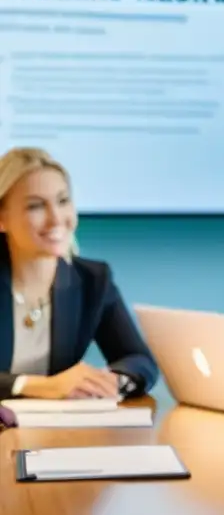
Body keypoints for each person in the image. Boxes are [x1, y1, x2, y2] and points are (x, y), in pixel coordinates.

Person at [0, 148, 158, 400]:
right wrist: (34, 386)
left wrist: (111, 381)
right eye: (35, 206)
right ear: (2, 218)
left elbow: (139, 361)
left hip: (55, 430)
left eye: (63, 201)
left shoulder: (93, 280)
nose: (56, 219)